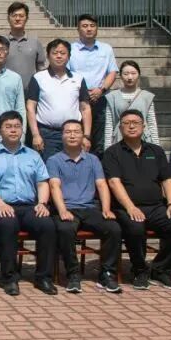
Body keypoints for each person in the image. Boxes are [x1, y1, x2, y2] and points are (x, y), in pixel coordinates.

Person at [103, 109, 171, 291]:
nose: (131, 126)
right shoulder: (112, 153)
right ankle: (139, 270)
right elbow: (114, 182)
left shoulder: (155, 151)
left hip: (156, 207)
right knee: (135, 227)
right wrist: (130, 207)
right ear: (120, 127)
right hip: (126, 208)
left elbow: (167, 180)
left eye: (135, 122)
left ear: (144, 126)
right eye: (126, 123)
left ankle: (160, 269)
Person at [0, 111, 57, 296]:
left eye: (17, 126)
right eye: (8, 127)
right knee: (8, 225)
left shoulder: (33, 155)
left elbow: (42, 182)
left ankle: (43, 278)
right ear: (0, 131)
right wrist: (0, 204)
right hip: (1, 206)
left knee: (47, 225)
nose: (13, 130)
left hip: (29, 207)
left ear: (22, 129)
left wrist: (42, 203)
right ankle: (10, 278)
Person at [47, 120, 122, 295]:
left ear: (83, 136)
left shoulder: (93, 160)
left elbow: (102, 185)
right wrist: (62, 210)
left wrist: (106, 208)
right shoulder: (54, 160)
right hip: (66, 208)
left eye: (76, 131)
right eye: (68, 132)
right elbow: (54, 186)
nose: (72, 135)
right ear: (62, 136)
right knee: (65, 229)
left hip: (89, 208)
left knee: (113, 228)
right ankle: (73, 274)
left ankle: (107, 274)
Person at [26, 39, 92, 162]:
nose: (59, 56)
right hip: (47, 134)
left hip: (73, 134)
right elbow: (30, 107)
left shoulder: (78, 78)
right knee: (49, 168)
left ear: (69, 56)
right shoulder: (38, 78)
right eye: (55, 53)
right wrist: (35, 135)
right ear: (48, 56)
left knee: (73, 166)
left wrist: (86, 136)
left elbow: (85, 108)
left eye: (63, 53)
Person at [68, 14, 118, 156]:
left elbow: (112, 72)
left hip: (100, 98)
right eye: (85, 26)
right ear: (78, 29)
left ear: (97, 28)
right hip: (77, 99)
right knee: (76, 136)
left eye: (92, 26)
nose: (89, 29)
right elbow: (66, 72)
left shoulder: (106, 49)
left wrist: (101, 90)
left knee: (100, 140)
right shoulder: (70, 49)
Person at [103, 61, 160, 149]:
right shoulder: (112, 97)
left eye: (133, 73)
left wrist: (156, 147)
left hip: (143, 139)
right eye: (126, 74)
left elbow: (152, 124)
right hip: (119, 139)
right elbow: (109, 125)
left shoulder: (147, 96)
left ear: (138, 75)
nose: (130, 77)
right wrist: (107, 149)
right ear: (120, 76)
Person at [3, 2, 47, 91]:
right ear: (8, 18)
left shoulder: (35, 42)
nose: (17, 19)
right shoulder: (2, 42)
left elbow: (41, 69)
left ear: (26, 18)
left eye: (21, 16)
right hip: (6, 92)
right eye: (14, 15)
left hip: (30, 94)